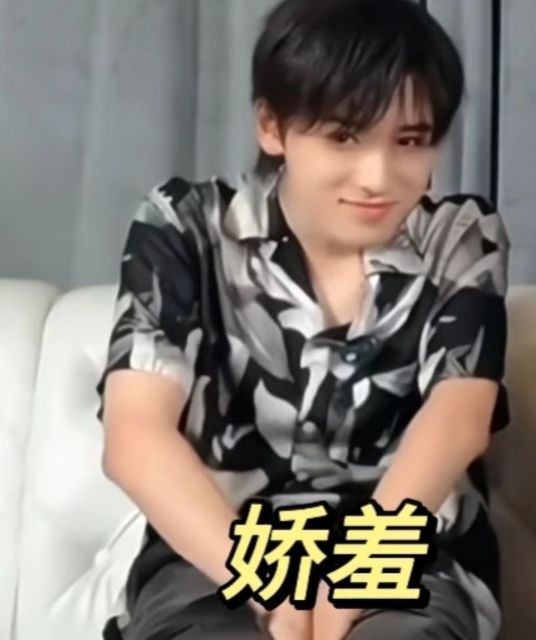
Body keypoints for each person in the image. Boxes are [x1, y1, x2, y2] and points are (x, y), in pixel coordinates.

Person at [97, 0, 510, 638]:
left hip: (400, 552)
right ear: (273, 126)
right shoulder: (185, 227)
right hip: (218, 552)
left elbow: (458, 419)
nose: (378, 177)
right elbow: (135, 436)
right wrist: (271, 583)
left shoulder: (459, 235)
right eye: (344, 136)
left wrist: (352, 580)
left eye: (409, 141)